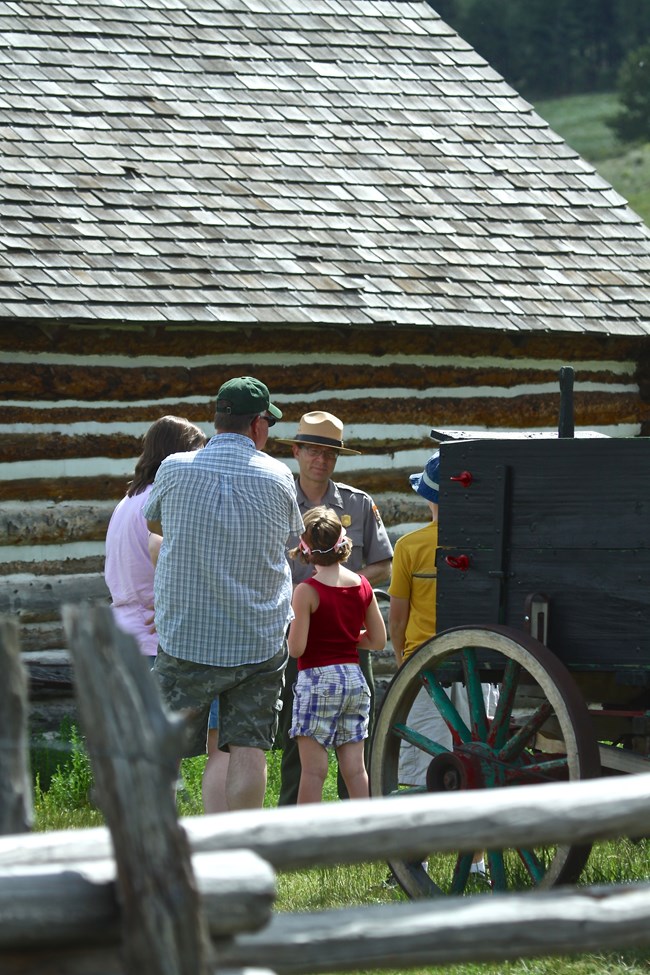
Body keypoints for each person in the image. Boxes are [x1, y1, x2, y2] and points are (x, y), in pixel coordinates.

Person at [143, 376, 303, 811]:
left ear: (218, 420)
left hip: (187, 635)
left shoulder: (174, 468)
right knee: (248, 747)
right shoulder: (279, 476)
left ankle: (157, 846)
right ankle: (241, 852)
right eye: (268, 423)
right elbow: (292, 538)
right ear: (256, 425)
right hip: (258, 638)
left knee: (162, 746)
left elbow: (154, 524)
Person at [275, 410, 393, 805]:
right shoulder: (276, 500)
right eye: (312, 450)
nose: (320, 460)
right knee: (297, 731)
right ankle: (293, 814)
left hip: (347, 638)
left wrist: (336, 588)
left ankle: (354, 822)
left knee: (357, 736)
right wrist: (303, 594)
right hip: (296, 634)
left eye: (329, 453)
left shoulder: (357, 504)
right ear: (296, 451)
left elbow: (384, 564)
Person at [389, 451, 496, 875]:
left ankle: (419, 860)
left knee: (421, 767)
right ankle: (480, 862)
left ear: (431, 501)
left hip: (425, 664)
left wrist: (403, 662)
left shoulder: (410, 547)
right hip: (477, 661)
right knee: (481, 759)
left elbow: (397, 618)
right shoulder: (483, 543)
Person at [287, 506, 386, 803]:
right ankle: (368, 834)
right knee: (356, 770)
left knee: (313, 772)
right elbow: (379, 640)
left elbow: (297, 648)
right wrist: (347, 639)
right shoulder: (362, 585)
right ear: (343, 543)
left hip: (317, 680)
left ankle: (309, 837)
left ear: (306, 550)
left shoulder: (306, 591)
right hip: (354, 680)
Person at [105, 415, 207, 663]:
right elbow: (159, 549)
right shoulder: (163, 501)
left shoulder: (129, 500)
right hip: (154, 639)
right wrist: (169, 605)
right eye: (197, 456)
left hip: (125, 634)